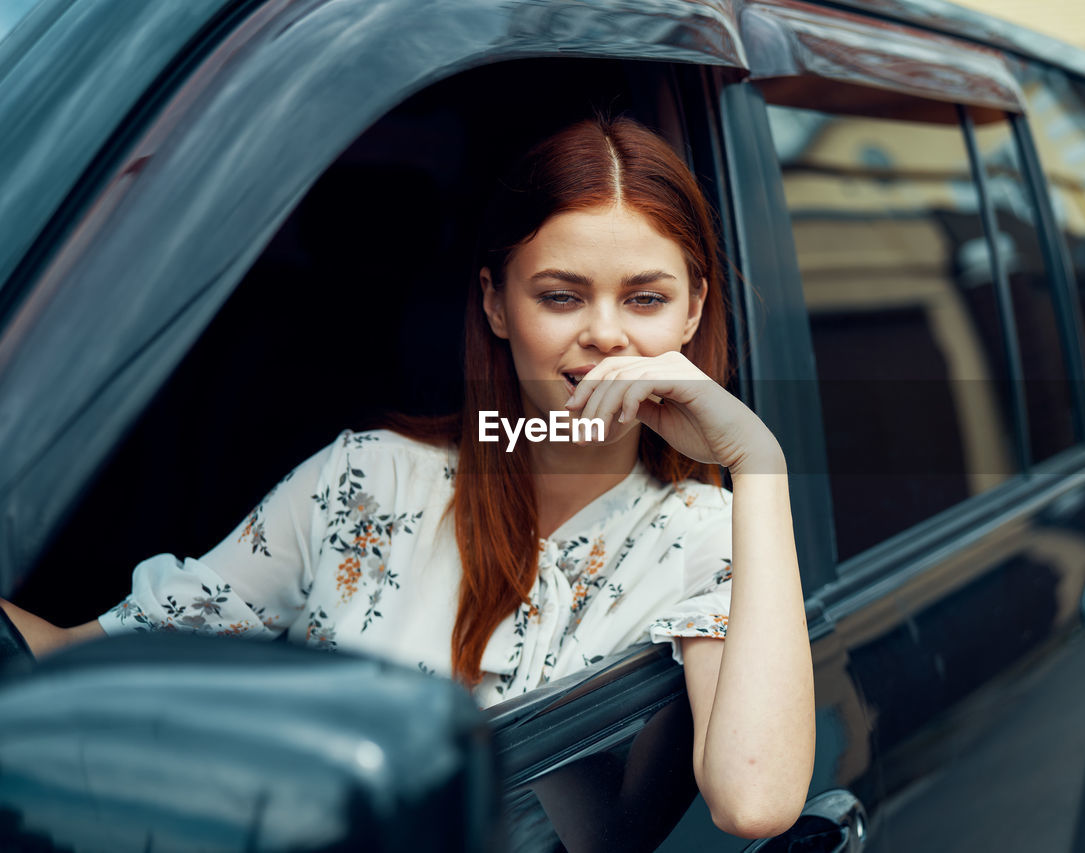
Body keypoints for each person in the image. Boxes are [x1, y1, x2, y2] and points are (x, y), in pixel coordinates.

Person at [0, 115, 814, 838]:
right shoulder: (367, 481)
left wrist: (759, 460)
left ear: (693, 310)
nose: (606, 335)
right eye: (561, 295)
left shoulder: (707, 534)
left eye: (644, 298)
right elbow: (90, 654)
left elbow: (755, 802)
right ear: (496, 305)